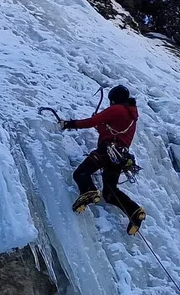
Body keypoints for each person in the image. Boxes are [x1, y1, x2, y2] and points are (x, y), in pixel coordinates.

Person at [55, 84, 145, 234]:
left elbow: (92, 121)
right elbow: (115, 131)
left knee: (81, 173)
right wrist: (102, 127)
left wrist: (68, 124)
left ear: (114, 100)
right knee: (110, 192)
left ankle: (89, 191)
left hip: (106, 151)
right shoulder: (131, 116)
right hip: (120, 156)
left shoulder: (117, 109)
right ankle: (134, 211)